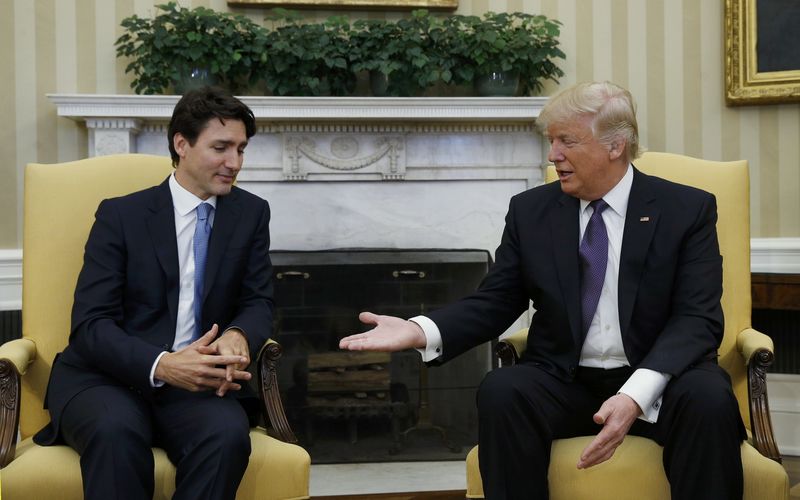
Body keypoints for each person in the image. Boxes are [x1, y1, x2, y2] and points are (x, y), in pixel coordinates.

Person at [340, 81, 746, 500]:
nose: (553, 155)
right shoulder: (531, 211)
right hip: (567, 381)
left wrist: (634, 395)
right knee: (502, 391)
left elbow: (697, 319)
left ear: (616, 146)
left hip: (660, 380)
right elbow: (497, 299)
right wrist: (420, 330)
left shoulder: (686, 209)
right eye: (551, 141)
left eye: (567, 141)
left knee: (708, 399)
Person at [33, 86, 274, 500]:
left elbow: (258, 300)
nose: (234, 163)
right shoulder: (121, 215)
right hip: (106, 379)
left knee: (227, 435)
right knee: (114, 433)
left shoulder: (250, 213)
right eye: (221, 148)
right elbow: (91, 326)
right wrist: (162, 364)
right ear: (182, 144)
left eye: (241, 149)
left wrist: (239, 333)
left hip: (196, 384)